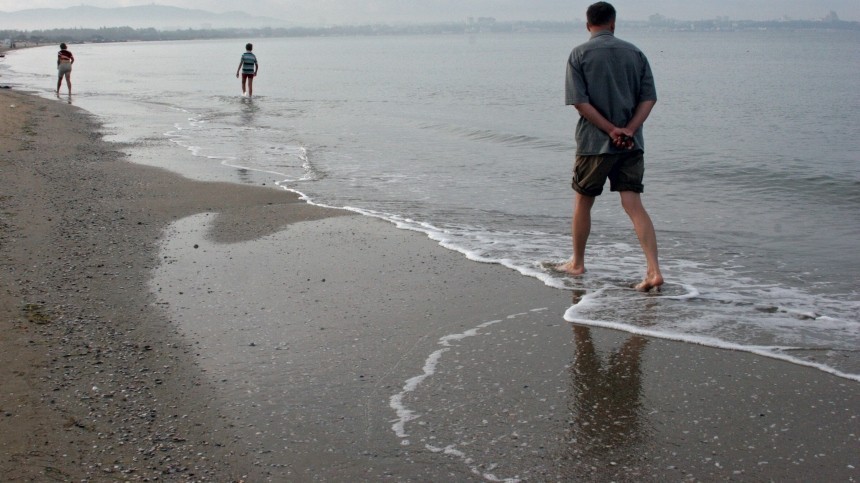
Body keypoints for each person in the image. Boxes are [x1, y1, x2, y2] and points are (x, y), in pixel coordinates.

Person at [557, 2, 664, 292]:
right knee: (633, 205)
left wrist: (610, 129)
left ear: (587, 24)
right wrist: (628, 129)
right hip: (631, 144)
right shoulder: (635, 53)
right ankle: (653, 270)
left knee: (583, 201)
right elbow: (648, 98)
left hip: (594, 144)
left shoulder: (579, 54)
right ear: (614, 24)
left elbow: (579, 102)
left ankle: (577, 263)